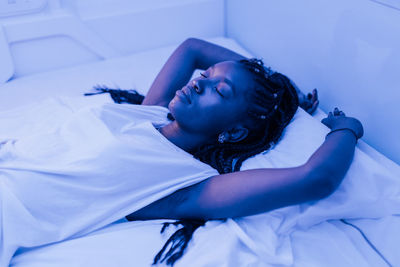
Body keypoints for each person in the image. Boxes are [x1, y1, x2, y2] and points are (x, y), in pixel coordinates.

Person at [0, 38, 362, 267]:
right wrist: (287, 94)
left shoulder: (184, 183)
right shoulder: (151, 111)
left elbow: (316, 179)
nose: (198, 81)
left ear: (234, 131)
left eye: (218, 91)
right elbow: (193, 48)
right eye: (206, 76)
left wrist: (347, 127)